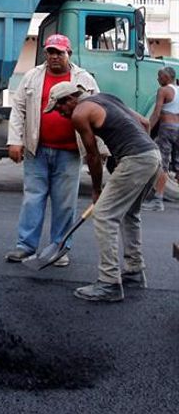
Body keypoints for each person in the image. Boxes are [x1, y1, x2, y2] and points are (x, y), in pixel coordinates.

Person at [46, 83, 160, 302]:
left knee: (104, 216)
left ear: (70, 99)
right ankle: (134, 272)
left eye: (60, 107)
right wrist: (127, 157)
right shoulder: (106, 97)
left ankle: (109, 283)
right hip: (152, 156)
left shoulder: (80, 113)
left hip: (136, 159)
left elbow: (93, 156)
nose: (60, 113)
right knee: (130, 215)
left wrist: (97, 190)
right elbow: (144, 123)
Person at [5, 34, 100, 267]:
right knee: (32, 198)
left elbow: (97, 111)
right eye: (50, 52)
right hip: (36, 150)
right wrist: (14, 141)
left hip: (69, 152)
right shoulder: (32, 76)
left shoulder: (84, 79)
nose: (54, 57)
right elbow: (18, 109)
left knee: (65, 202)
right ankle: (25, 246)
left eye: (59, 52)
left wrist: (99, 150)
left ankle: (59, 247)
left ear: (69, 54)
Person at [142, 66, 179, 212]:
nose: (158, 79)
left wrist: (147, 129)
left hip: (167, 129)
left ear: (167, 77)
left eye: (159, 76)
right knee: (177, 164)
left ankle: (158, 200)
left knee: (162, 164)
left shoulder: (163, 91)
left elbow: (156, 113)